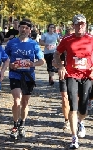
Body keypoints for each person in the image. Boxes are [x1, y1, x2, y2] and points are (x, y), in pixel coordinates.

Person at [54, 14, 93, 149]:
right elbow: (56, 54)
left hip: (87, 76)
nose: (80, 26)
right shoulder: (67, 39)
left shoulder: (91, 39)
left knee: (83, 108)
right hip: (71, 75)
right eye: (77, 24)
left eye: (82, 24)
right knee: (73, 105)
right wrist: (61, 66)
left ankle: (80, 122)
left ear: (86, 25)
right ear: (73, 25)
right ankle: (74, 137)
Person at [5, 18, 44, 139]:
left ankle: (22, 123)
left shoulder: (33, 44)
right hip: (15, 75)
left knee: (24, 102)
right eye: (22, 27)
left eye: (26, 28)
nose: (24, 30)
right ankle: (15, 125)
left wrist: (33, 64)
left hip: (28, 76)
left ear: (30, 30)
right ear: (19, 28)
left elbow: (41, 60)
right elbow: (5, 58)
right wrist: (10, 64)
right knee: (17, 100)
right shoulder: (12, 43)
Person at [53, 27, 74, 130]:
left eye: (71, 35)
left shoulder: (79, 47)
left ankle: (76, 119)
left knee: (75, 99)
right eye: (67, 35)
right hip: (64, 75)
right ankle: (66, 120)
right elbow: (54, 61)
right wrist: (60, 66)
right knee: (65, 98)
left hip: (77, 75)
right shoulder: (62, 47)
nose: (69, 37)